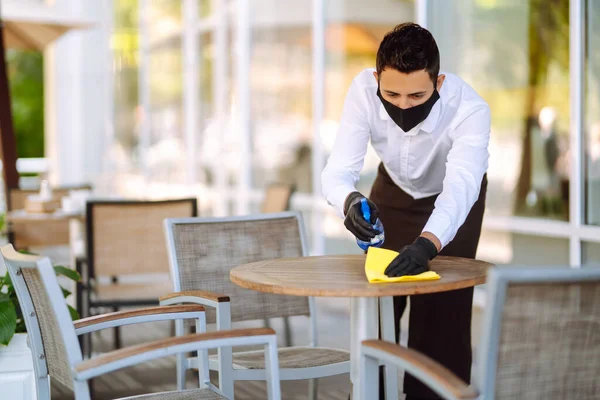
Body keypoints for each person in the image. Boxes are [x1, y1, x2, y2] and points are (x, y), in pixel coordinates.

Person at [321, 22, 490, 400]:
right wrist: (348, 201)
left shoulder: (470, 109)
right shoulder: (362, 91)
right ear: (378, 78)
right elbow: (338, 169)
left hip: (454, 202)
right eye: (391, 93)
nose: (402, 106)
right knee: (379, 305)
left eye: (416, 96)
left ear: (439, 82)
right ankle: (370, 394)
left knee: (441, 317)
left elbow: (461, 188)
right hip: (393, 193)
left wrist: (429, 244)